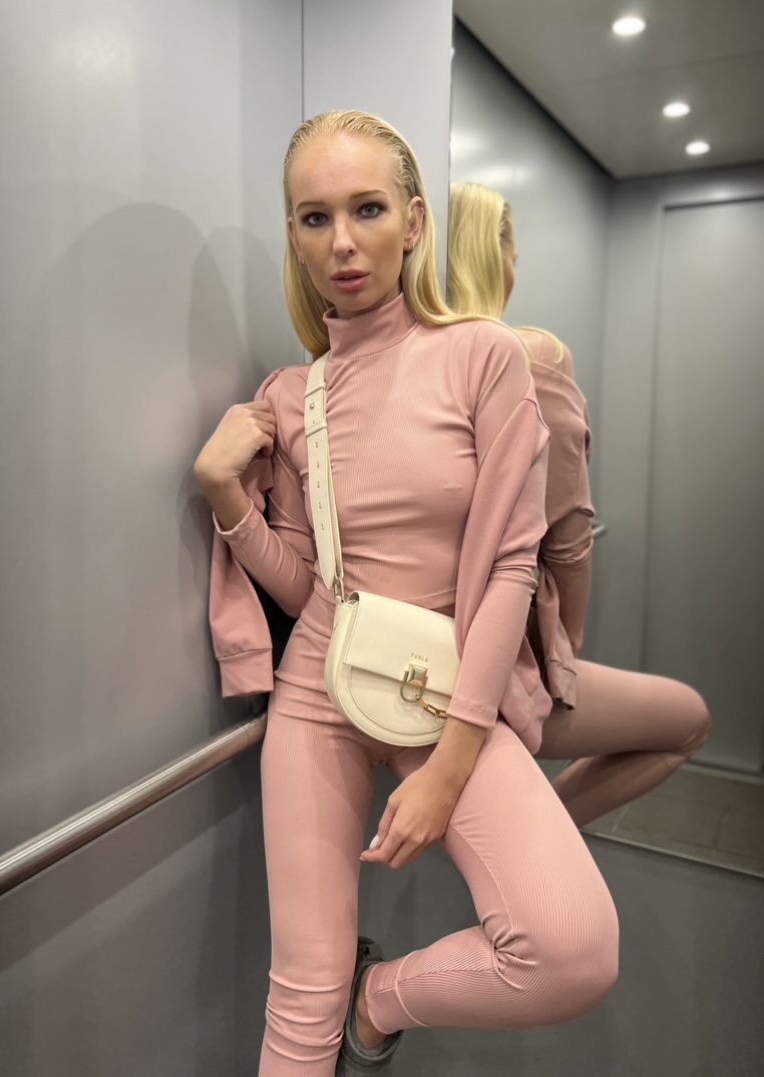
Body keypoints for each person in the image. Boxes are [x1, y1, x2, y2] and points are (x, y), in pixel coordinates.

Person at [194, 112, 619, 1077]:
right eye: (314, 218)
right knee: (298, 1001)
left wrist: (448, 762)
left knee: (571, 948)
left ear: (415, 221)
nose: (341, 242)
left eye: (368, 209)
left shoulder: (482, 355)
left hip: (446, 692)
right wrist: (227, 499)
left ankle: (377, 996)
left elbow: (510, 563)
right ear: (294, 235)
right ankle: (336, 997)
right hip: (317, 692)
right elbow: (307, 587)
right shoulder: (291, 394)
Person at [447, 180, 711, 829]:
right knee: (687, 720)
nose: (515, 269)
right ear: (492, 255)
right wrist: (563, 645)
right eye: (512, 254)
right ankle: (535, 837)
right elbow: (566, 535)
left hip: (409, 648)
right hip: (500, 656)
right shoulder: (533, 356)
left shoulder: (403, 364)